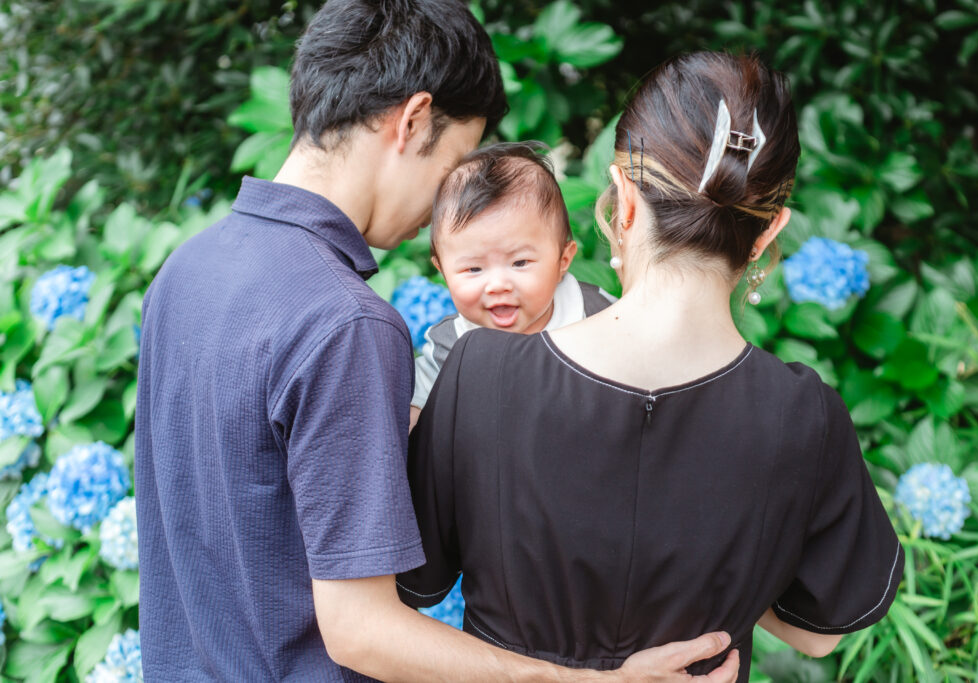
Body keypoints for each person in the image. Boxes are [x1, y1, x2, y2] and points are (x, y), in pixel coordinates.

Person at [135, 0, 739, 680]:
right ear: (414, 119)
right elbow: (361, 632)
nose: (440, 207)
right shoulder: (345, 323)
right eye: (454, 161)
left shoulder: (185, 271)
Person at [397, 51, 904, 682]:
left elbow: (410, 584)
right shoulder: (805, 414)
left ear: (625, 201)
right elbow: (817, 632)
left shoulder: (480, 372)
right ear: (770, 231)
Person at [411, 142, 616, 426]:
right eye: (473, 268)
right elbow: (413, 416)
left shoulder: (599, 314)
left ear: (562, 260)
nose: (497, 285)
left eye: (520, 263)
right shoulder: (448, 345)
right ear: (443, 271)